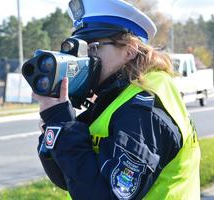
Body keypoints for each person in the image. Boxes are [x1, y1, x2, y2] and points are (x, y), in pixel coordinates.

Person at [33, 0, 201, 199]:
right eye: (83, 50)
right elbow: (69, 178)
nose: (86, 58)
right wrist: (56, 126)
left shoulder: (142, 108)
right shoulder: (118, 95)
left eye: (93, 48)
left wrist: (61, 124)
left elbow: (108, 195)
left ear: (129, 50)